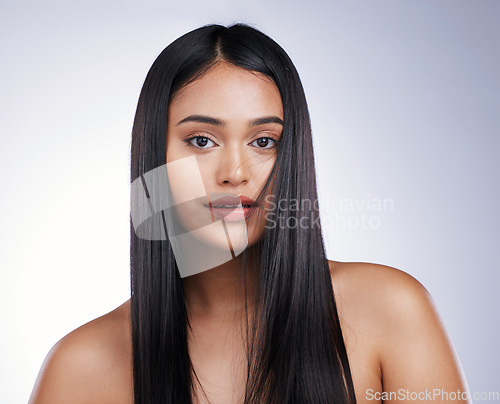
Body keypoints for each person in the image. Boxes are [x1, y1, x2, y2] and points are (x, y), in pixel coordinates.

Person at [29, 23, 470, 403]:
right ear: (153, 157)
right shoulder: (79, 368)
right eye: (202, 140)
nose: (235, 173)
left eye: (264, 141)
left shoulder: (389, 309)